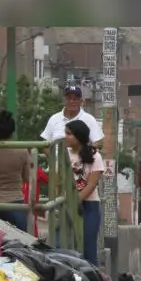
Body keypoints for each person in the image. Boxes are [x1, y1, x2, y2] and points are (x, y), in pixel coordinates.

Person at [64, 120, 105, 266]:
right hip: (66, 204)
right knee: (64, 246)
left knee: (88, 246)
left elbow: (92, 183)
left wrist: (77, 200)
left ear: (79, 135)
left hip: (90, 205)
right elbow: (57, 180)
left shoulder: (95, 156)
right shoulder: (62, 154)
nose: (66, 137)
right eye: (65, 134)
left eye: (69, 134)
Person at [40, 84, 104, 148]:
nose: (72, 101)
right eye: (68, 98)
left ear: (81, 101)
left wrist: (84, 154)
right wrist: (52, 157)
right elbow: (45, 142)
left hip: (81, 157)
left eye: (75, 99)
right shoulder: (54, 118)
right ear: (64, 100)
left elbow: (98, 142)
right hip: (57, 157)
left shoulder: (89, 119)